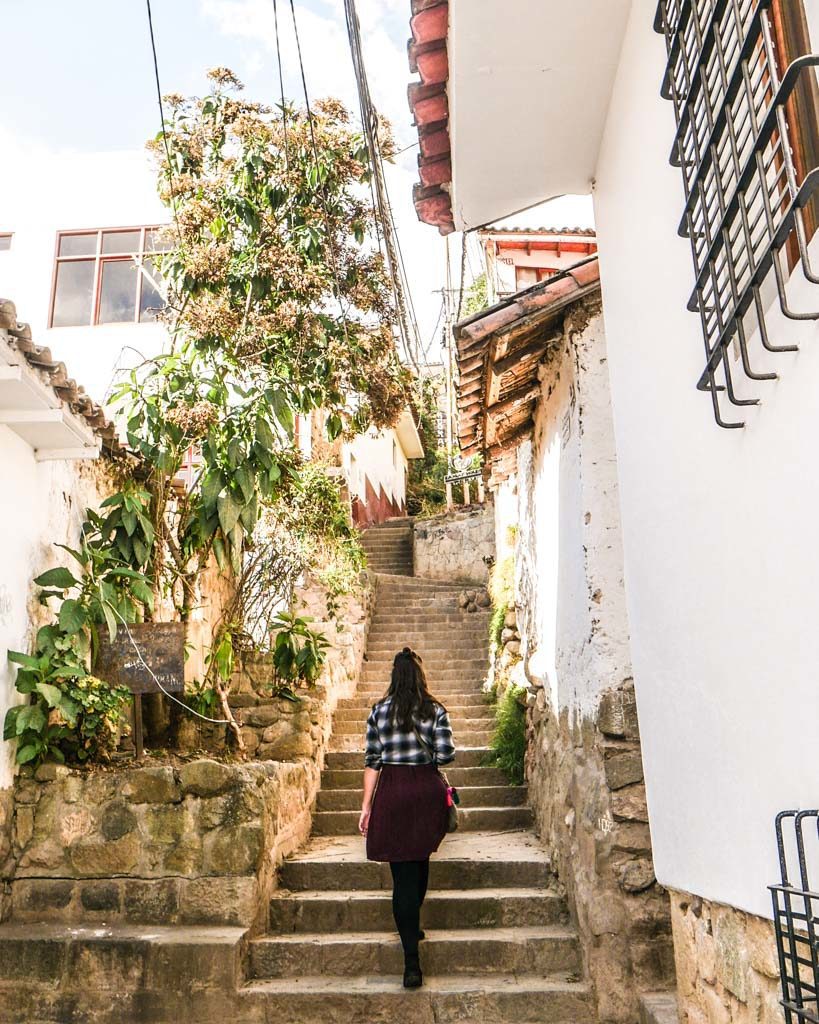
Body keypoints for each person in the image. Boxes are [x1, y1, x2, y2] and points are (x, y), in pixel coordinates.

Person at [358, 646, 455, 989]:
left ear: (393, 677)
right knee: (421, 858)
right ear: (419, 676)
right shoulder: (435, 710)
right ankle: (413, 925)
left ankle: (411, 962)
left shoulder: (378, 712)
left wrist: (366, 806)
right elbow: (445, 755)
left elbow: (373, 761)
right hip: (425, 790)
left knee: (402, 875)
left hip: (393, 792)